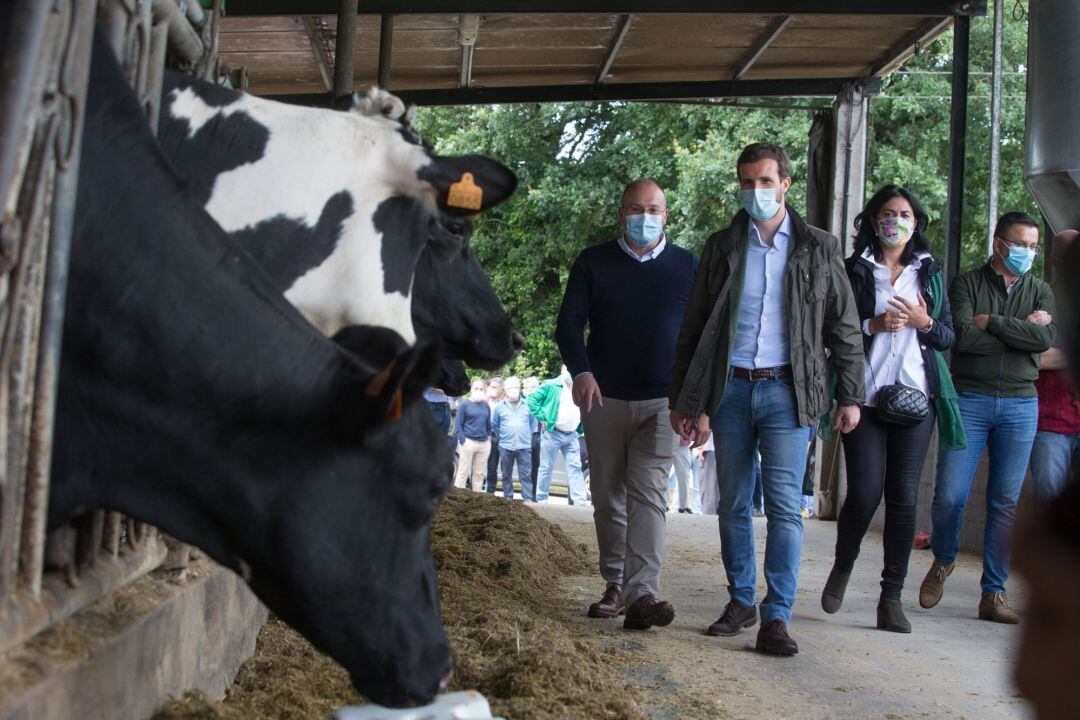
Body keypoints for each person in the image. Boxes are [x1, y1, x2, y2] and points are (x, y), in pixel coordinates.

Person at [668, 143, 864, 656]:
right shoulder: (722, 246)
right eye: (747, 182)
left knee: (784, 509)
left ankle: (776, 617)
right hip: (729, 390)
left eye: (765, 181)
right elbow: (694, 328)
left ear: (786, 185)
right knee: (731, 504)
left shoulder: (819, 246)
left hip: (790, 392)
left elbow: (843, 325)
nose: (755, 191)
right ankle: (740, 600)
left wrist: (851, 394)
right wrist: (684, 399)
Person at [556, 178, 698, 631]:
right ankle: (614, 583)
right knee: (607, 498)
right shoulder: (593, 262)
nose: (644, 217)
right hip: (603, 399)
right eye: (636, 209)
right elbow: (568, 324)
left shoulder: (688, 267)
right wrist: (581, 372)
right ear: (622, 214)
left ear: (666, 215)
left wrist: (697, 401)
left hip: (665, 403)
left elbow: (701, 339)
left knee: (649, 496)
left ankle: (642, 594)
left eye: (653, 209)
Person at [819, 185, 957, 633]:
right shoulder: (854, 271)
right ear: (873, 220)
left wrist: (925, 322)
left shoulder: (929, 272)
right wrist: (871, 325)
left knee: (903, 499)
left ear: (915, 221)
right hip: (866, 400)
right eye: (887, 213)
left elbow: (948, 337)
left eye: (904, 214)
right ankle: (843, 564)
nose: (895, 220)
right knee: (863, 492)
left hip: (917, 402)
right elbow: (831, 332)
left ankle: (890, 597)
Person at [920, 211, 1055, 624]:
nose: (1027, 252)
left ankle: (993, 593)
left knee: (1005, 503)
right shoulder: (966, 283)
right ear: (998, 243)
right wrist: (1020, 336)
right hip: (970, 400)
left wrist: (993, 322)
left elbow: (1044, 340)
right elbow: (962, 337)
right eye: (1020, 244)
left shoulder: (1041, 291)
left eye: (1033, 246)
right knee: (950, 495)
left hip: (1020, 404)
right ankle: (943, 559)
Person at [1029, 229, 1079, 504]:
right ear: (1055, 259)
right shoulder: (1039, 298)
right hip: (1050, 422)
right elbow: (1031, 359)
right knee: (1048, 500)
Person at [527, 368, 588, 505]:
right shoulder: (552, 385)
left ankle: (580, 501)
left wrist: (580, 429)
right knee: (546, 467)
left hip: (572, 434)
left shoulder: (581, 385)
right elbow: (531, 399)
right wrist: (542, 417)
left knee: (575, 468)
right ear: (563, 370)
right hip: (553, 432)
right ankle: (541, 499)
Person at [492, 376, 538, 500]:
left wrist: (528, 436)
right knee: (506, 475)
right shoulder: (500, 406)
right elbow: (495, 424)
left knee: (526, 476)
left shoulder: (528, 404)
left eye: (516, 387)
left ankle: (528, 500)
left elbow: (533, 423)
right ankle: (508, 499)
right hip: (506, 446)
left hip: (524, 446)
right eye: (511, 387)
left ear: (519, 388)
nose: (514, 389)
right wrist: (501, 436)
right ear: (506, 389)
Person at [453, 378, 493, 493]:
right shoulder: (464, 405)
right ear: (471, 389)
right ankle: (458, 496)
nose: (479, 390)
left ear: (484, 390)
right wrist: (462, 440)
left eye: (481, 389)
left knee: (479, 474)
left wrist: (488, 438)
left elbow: (488, 425)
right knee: (463, 472)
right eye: (476, 388)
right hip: (468, 442)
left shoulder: (486, 406)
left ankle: (477, 498)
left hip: (484, 444)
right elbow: (458, 425)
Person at [484, 377, 504, 493]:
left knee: (499, 467)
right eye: (490, 387)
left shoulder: (505, 402)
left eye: (494, 387)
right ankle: (486, 492)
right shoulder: (484, 401)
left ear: (501, 389)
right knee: (488, 467)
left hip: (500, 437)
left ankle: (493, 492)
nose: (491, 389)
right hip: (486, 436)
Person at [524, 376, 542, 494]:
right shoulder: (522, 401)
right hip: (525, 437)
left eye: (526, 387)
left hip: (536, 437)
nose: (524, 390)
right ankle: (527, 493)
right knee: (525, 468)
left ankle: (533, 493)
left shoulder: (540, 402)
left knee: (535, 467)